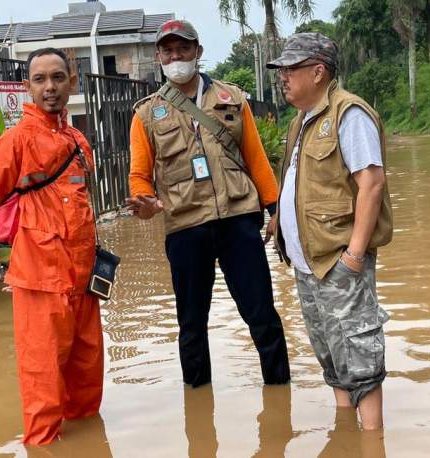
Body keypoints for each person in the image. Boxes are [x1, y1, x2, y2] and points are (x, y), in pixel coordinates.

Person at [126, 19, 290, 388]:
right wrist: (146, 202)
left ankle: (280, 395)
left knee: (262, 315)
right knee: (192, 324)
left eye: (183, 48)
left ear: (198, 52)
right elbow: (139, 175)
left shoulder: (232, 98)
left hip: (238, 221)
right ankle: (199, 410)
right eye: (168, 50)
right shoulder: (146, 114)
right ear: (159, 58)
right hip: (185, 227)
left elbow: (256, 158)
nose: (176, 56)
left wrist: (275, 210)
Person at [264, 33, 393, 430]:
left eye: (291, 69)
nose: (282, 77)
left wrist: (353, 256)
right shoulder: (300, 121)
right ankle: (344, 436)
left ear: (318, 71)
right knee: (332, 357)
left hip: (339, 262)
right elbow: (301, 181)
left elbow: (371, 183)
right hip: (308, 266)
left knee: (361, 359)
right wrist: (278, 221)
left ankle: (372, 443)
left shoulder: (348, 114)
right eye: (281, 70)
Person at [0, 47, 103, 445]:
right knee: (42, 383)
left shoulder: (78, 139)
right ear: (28, 87)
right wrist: (31, 228)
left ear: (71, 82)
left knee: (87, 378)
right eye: (40, 79)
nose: (50, 87)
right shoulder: (15, 141)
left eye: (58, 78)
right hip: (41, 279)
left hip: (83, 275)